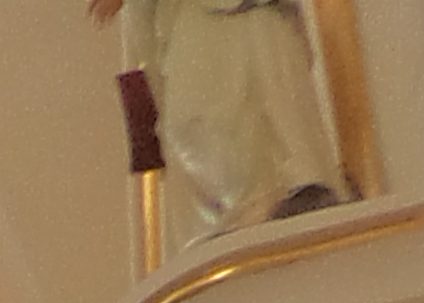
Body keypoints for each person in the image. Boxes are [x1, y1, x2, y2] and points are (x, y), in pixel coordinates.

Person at [95, 0, 349, 234]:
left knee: (229, 106)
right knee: (188, 121)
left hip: (239, 16)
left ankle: (278, 191)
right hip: (190, 18)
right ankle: (246, 204)